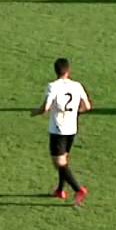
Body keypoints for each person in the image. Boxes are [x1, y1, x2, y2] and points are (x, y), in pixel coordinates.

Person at [30, 57, 92, 206]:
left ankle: (79, 189)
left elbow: (45, 107)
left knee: (59, 163)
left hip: (58, 130)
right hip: (72, 129)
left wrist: (35, 112)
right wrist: (75, 113)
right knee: (63, 160)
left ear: (55, 71)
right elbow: (87, 106)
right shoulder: (77, 85)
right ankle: (60, 190)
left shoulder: (53, 86)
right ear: (68, 70)